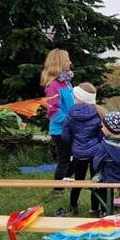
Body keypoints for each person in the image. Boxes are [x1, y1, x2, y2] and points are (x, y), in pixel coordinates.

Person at [63, 83, 104, 217]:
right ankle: (94, 209)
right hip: (95, 153)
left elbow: (65, 135)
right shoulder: (98, 113)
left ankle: (73, 206)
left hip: (78, 153)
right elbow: (101, 133)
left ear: (78, 98)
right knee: (95, 181)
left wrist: (73, 144)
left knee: (78, 181)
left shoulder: (71, 113)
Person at [40, 49, 75, 193]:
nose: (70, 62)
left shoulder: (66, 82)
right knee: (64, 159)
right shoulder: (53, 85)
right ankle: (58, 188)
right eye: (67, 60)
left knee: (75, 157)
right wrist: (72, 121)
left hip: (70, 128)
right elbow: (53, 111)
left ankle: (63, 182)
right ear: (59, 63)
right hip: (60, 131)